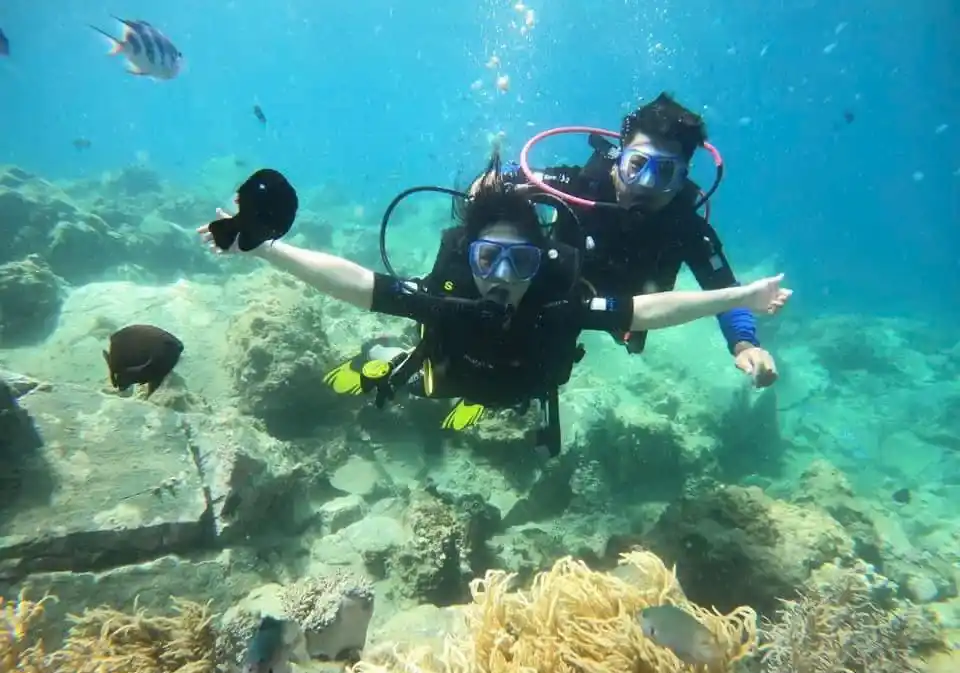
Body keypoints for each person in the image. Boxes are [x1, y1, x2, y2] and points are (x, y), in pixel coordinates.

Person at [197, 153, 792, 456]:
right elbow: (359, 284)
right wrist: (264, 248)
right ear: (469, 257)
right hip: (450, 373)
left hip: (525, 386)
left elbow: (643, 312)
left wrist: (743, 301)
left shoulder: (558, 303)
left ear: (543, 261)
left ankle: (477, 401)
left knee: (495, 395)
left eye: (521, 263)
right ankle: (385, 360)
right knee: (423, 376)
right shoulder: (450, 297)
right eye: (488, 261)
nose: (502, 279)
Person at [497, 92, 781, 388]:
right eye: (637, 164)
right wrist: (490, 186)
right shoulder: (580, 185)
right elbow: (505, 177)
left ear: (682, 179)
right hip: (561, 298)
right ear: (619, 157)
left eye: (665, 172)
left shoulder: (685, 226)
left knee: (627, 338)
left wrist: (746, 345)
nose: (646, 185)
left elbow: (725, 290)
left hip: (631, 315)